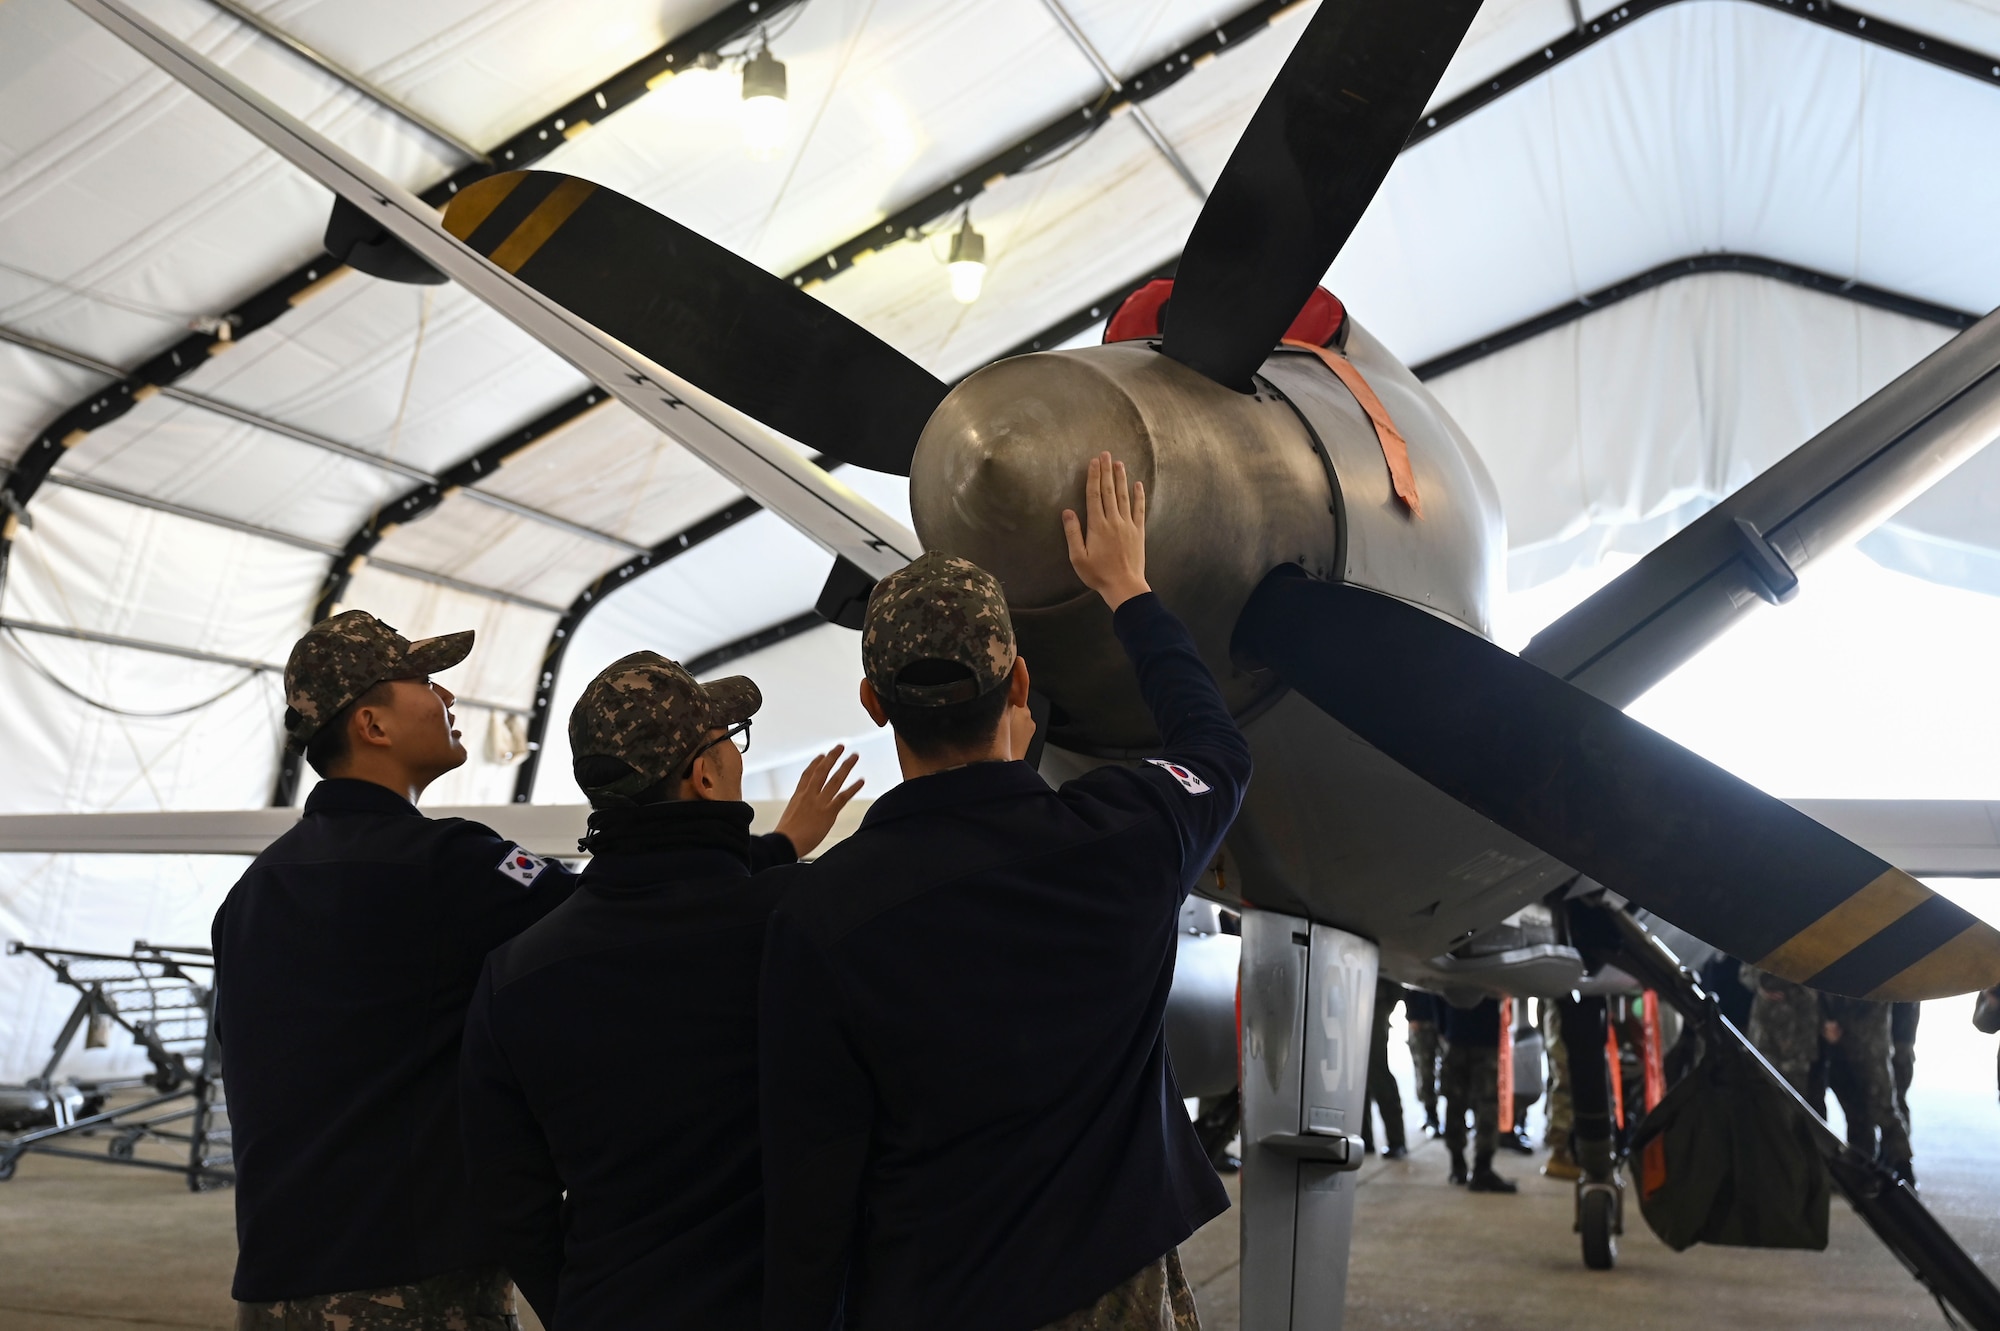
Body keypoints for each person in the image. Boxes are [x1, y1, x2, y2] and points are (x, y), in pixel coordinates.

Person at [759, 454, 1251, 1331]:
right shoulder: (1123, 833)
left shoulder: (818, 912)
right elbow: (1216, 751)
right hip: (1115, 1295)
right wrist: (1129, 592)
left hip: (933, 1296)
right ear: (1019, 684)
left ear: (875, 702)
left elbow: (812, 1179)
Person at [458, 652, 862, 1328]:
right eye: (729, 741)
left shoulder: (516, 974)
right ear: (704, 774)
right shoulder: (806, 922)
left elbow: (511, 1200)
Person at [213, 611, 577, 1330]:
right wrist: (766, 852)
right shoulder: (450, 865)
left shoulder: (251, 892)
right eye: (425, 682)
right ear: (372, 725)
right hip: (409, 1287)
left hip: (278, 1283)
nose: (446, 698)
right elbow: (613, 915)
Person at [1822, 995, 1915, 1187]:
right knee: (1855, 1112)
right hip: (1837, 1036)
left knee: (1883, 1108)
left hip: (1872, 1041)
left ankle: (1903, 1169)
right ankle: (1862, 1168)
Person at [1440, 996, 1516, 1193]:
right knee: (1481, 1103)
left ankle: (1470, 1166)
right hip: (1477, 1035)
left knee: (1463, 1102)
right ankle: (1475, 1167)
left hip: (1466, 1033)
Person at [1741, 965, 1823, 1103]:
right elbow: (1745, 975)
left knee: (1797, 1104)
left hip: (1800, 1043)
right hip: (1765, 1040)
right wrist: (1760, 985)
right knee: (1761, 1097)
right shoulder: (1764, 948)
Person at [1361, 978, 1409, 1159]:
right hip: (1354, 1001)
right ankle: (1363, 1137)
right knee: (1356, 1078)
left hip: (1373, 1005)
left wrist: (1385, 1006)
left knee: (1377, 1074)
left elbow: (1396, 974)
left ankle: (1396, 1140)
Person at [1405, 988, 1443, 1136]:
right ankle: (1431, 1115)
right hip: (1421, 1019)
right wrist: (1412, 1015)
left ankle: (1459, 1116)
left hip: (1444, 1018)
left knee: (1452, 1072)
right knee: (1424, 1071)